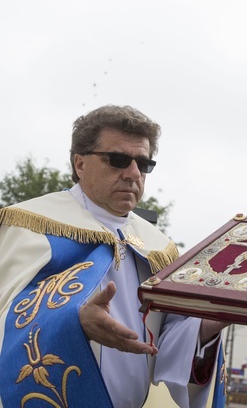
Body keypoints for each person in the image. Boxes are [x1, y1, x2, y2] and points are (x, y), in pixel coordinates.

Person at [0, 105, 228, 407]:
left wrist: (210, 325)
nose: (133, 173)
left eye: (144, 164)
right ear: (80, 164)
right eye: (118, 160)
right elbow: (8, 317)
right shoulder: (26, 224)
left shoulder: (159, 248)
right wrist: (73, 322)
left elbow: (167, 343)